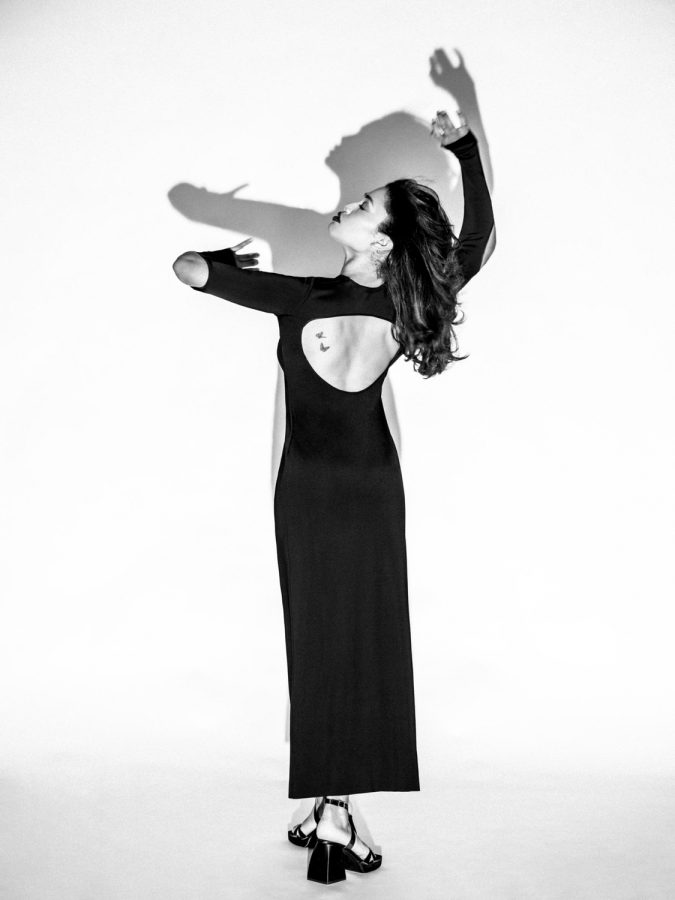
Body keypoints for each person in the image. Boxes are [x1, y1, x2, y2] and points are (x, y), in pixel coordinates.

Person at [172, 108, 495, 885]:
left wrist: (221, 255)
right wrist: (462, 149)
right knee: (366, 641)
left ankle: (330, 811)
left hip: (305, 493)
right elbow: (479, 237)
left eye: (364, 205)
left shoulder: (296, 297)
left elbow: (187, 267)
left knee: (316, 643)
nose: (349, 204)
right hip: (375, 489)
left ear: (380, 242)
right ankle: (335, 810)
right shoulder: (410, 306)